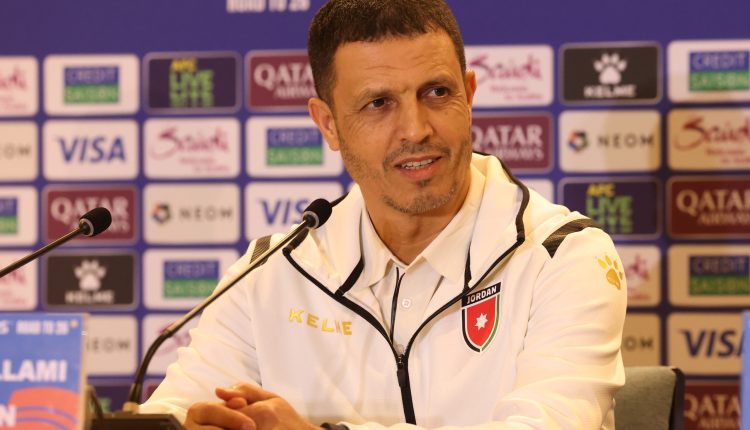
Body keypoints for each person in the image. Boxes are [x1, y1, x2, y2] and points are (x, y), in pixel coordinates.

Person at [141, 0, 627, 428]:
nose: (415, 129)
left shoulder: (562, 256)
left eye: (437, 93)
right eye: (379, 103)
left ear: (470, 94)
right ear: (328, 124)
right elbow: (171, 414)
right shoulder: (272, 272)